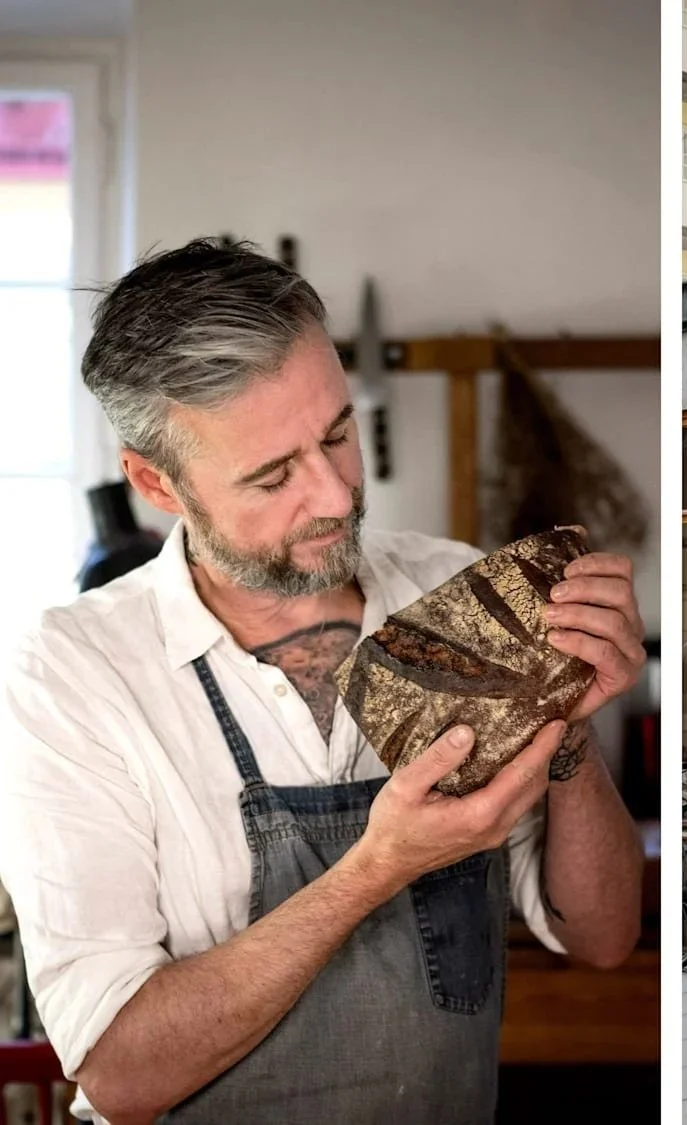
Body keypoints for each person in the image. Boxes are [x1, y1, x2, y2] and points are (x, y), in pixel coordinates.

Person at [0, 238, 645, 1125]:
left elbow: (602, 940)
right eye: (272, 475)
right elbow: (120, 1074)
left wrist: (566, 723)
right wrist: (378, 867)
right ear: (157, 482)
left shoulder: (452, 591)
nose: (337, 494)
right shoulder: (74, 673)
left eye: (337, 433)